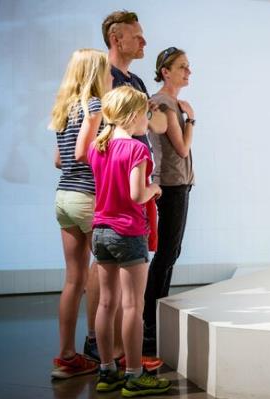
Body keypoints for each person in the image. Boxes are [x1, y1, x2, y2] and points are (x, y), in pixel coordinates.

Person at [83, 10, 163, 369]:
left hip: (112, 199)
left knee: (112, 295)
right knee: (128, 299)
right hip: (114, 196)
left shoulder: (136, 82)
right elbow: (86, 137)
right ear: (117, 38)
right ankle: (121, 360)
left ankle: (111, 358)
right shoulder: (101, 78)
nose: (144, 41)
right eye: (137, 35)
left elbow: (156, 122)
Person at [88, 86, 171, 396]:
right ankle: (135, 375)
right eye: (145, 114)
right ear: (134, 115)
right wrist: (155, 189)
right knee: (132, 305)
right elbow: (137, 194)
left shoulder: (99, 147)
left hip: (101, 232)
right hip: (128, 232)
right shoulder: (137, 149)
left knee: (106, 304)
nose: (146, 120)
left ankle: (107, 371)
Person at [49, 48, 111, 379]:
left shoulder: (64, 108)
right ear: (95, 73)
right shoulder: (95, 105)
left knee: (73, 279)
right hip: (88, 196)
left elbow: (60, 160)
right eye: (106, 71)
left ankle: (66, 356)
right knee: (102, 272)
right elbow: (80, 153)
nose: (110, 76)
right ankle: (108, 353)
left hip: (64, 195)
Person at [143, 47, 195, 353]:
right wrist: (192, 119)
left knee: (169, 252)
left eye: (188, 67)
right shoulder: (165, 103)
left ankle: (153, 316)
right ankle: (150, 320)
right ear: (166, 71)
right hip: (172, 184)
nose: (188, 72)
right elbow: (183, 148)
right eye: (182, 67)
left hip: (177, 183)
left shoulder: (168, 102)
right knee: (166, 253)